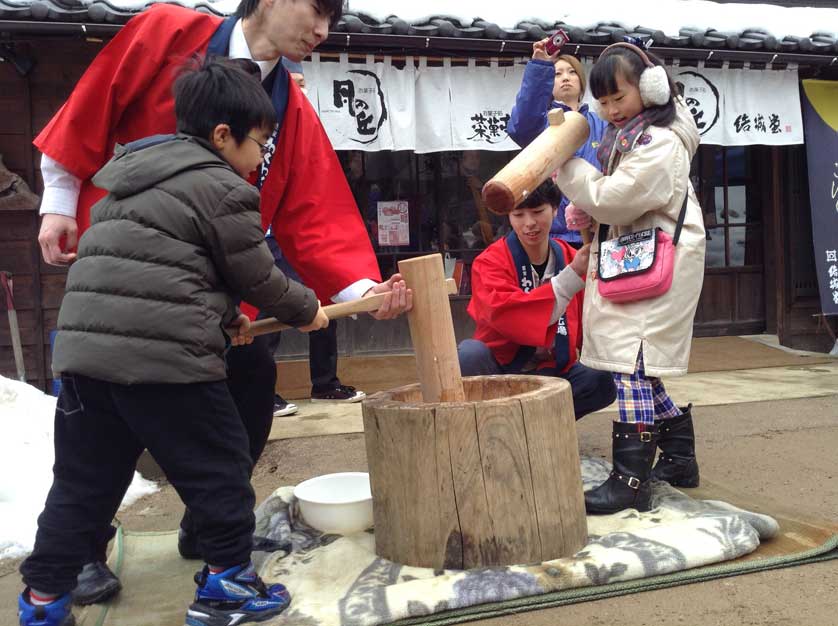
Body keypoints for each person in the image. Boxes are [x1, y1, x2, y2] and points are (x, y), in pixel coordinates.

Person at [32, 0, 411, 601]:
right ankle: (117, 554)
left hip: (149, 315)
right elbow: (90, 109)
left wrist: (361, 292)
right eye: (317, 9)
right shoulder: (167, 30)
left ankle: (184, 537)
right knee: (139, 440)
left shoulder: (287, 103)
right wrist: (58, 198)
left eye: (332, 19)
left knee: (250, 383)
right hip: (139, 299)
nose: (322, 30)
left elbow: (315, 209)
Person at [18, 58, 329, 626]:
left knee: (82, 485)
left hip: (86, 361)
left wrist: (223, 316)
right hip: (163, 364)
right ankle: (227, 587)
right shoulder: (221, 187)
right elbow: (256, 275)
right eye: (259, 143)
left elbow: (165, 271)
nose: (262, 157)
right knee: (218, 468)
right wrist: (307, 311)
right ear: (221, 136)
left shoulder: (128, 179)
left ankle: (43, 599)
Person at [558, 42, 705, 515]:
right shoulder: (639, 134)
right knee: (635, 365)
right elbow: (617, 203)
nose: (609, 110)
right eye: (602, 103)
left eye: (617, 98)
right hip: (643, 259)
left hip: (658, 264)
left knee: (631, 365)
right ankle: (679, 456)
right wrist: (592, 207)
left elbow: (617, 197)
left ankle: (630, 480)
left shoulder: (660, 142)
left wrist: (571, 171)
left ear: (650, 87)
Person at [458, 179, 616, 420]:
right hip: (503, 371)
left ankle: (539, 427)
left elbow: (591, 325)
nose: (529, 223)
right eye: (518, 214)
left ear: (555, 209)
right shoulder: (489, 262)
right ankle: (499, 424)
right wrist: (571, 277)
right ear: (508, 217)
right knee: (469, 356)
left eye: (538, 211)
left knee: (601, 379)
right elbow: (509, 316)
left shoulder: (572, 256)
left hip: (555, 372)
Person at [506, 38, 608, 248]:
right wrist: (540, 67)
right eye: (557, 73)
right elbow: (520, 126)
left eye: (571, 72)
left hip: (600, 233)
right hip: (553, 237)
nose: (565, 78)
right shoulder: (540, 124)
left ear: (581, 81)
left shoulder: (603, 123)